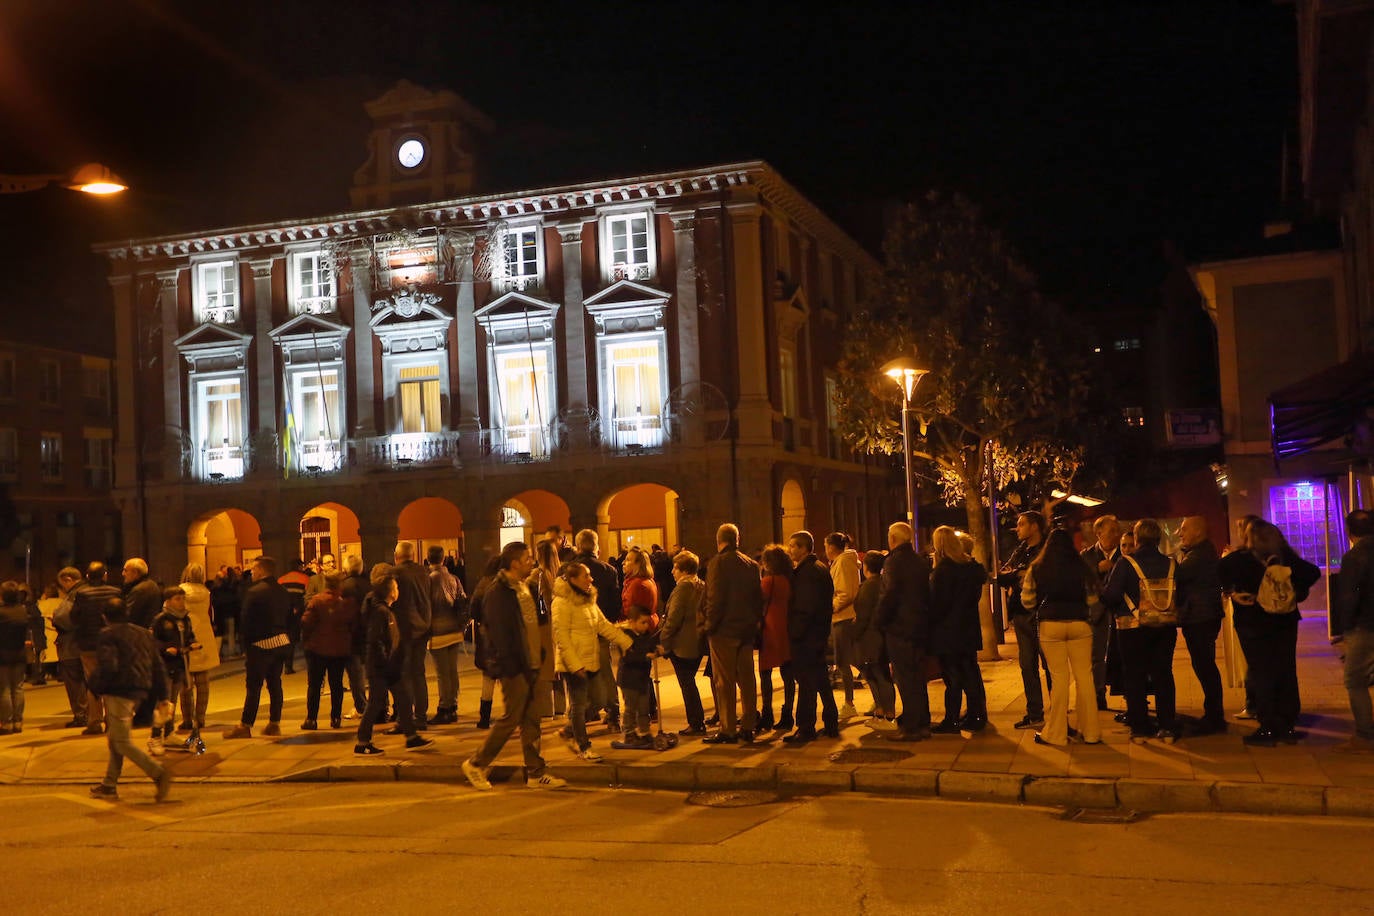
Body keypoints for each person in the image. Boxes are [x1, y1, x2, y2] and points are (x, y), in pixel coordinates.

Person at [462, 542, 567, 790]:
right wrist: (510, 665)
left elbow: (533, 621)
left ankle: (535, 771)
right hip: (514, 667)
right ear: (514, 563)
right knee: (511, 719)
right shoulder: (498, 593)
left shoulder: (524, 587)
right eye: (527, 558)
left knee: (532, 719)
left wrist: (539, 653)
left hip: (531, 663)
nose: (531, 561)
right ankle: (476, 763)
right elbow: (500, 635)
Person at [1219, 519, 1321, 746]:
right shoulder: (1285, 558)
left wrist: (1232, 591)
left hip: (1252, 624)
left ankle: (1267, 727)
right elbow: (1312, 572)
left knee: (1261, 673)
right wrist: (1295, 590)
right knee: (1285, 670)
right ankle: (1286, 724)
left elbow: (1219, 571)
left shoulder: (1241, 559)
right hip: (1285, 622)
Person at [1020, 528, 1102, 747]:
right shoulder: (1082, 567)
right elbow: (1093, 600)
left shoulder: (1037, 568)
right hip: (1080, 625)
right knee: (1085, 677)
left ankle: (1056, 734)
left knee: (1059, 679)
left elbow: (1027, 601)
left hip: (1051, 626)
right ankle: (1091, 732)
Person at [86, 597, 173, 802]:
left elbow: (109, 666)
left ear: (105, 616)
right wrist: (163, 696)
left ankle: (158, 773)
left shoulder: (107, 634)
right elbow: (158, 665)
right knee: (115, 738)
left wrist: (95, 686)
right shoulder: (142, 633)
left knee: (121, 741)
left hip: (119, 690)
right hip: (141, 690)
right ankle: (109, 784)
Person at [1104, 519, 1181, 742]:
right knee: (1164, 674)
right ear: (1158, 539)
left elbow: (1112, 595)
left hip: (1132, 628)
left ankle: (1140, 727)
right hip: (1165, 627)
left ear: (1136, 538)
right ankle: (1167, 726)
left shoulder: (1126, 563)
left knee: (1134, 675)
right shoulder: (1172, 564)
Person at [552, 561, 632, 760]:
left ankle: (570, 730)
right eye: (586, 575)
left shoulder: (588, 599)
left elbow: (602, 625)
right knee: (578, 706)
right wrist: (574, 664)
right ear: (573, 579)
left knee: (601, 699)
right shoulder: (561, 603)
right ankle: (583, 746)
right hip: (574, 665)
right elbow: (561, 636)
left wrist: (627, 641)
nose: (591, 578)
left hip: (591, 660)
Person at [354, 567, 434, 755]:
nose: (398, 590)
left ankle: (411, 737)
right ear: (390, 591)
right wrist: (385, 663)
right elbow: (376, 640)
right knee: (375, 703)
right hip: (382, 667)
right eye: (396, 587)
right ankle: (362, 742)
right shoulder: (380, 612)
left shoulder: (384, 610)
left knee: (404, 700)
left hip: (389, 665)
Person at [702, 523, 764, 745]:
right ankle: (748, 725)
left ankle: (727, 728)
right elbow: (758, 599)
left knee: (724, 681)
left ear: (718, 540)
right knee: (747, 679)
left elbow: (715, 598)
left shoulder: (717, 563)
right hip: (746, 631)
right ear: (737, 539)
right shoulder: (751, 564)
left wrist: (709, 626)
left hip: (724, 631)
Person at [877, 522, 934, 741]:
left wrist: (880, 620)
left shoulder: (893, 561)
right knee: (917, 677)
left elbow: (889, 594)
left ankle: (911, 726)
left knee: (904, 677)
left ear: (893, 539)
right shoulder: (919, 561)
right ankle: (922, 722)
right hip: (918, 627)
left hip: (899, 628)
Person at [224, 556, 292, 739]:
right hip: (281, 642)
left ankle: (245, 725)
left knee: (254, 687)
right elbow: (289, 617)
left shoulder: (255, 592)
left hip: (260, 645)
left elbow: (246, 622)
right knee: (275, 684)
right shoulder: (282, 591)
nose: (251, 572)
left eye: (254, 569)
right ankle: (274, 723)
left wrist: (246, 646)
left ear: (261, 570)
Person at [929, 525, 988, 733]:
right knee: (970, 673)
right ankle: (977, 714)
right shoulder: (971, 568)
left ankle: (951, 719)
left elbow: (937, 604)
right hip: (968, 629)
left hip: (948, 632)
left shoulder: (944, 571)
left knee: (952, 676)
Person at [784, 530, 840, 745]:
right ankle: (831, 721)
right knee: (820, 680)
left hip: (807, 636)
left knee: (807, 682)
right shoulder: (818, 569)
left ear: (803, 548)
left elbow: (805, 608)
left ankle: (806, 728)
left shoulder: (808, 573)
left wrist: (795, 633)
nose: (790, 550)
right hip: (817, 634)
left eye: (793, 546)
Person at [998, 511, 1050, 729]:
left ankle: (1057, 710)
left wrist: (1023, 574)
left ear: (1034, 526)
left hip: (1043, 612)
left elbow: (1046, 575)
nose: (1017, 529)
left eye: (1021, 524)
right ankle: (1034, 712)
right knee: (1027, 664)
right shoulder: (1020, 551)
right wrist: (1018, 573)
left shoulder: (1048, 549)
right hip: (1021, 612)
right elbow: (1002, 575)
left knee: (1050, 664)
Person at [1175, 516, 1226, 734]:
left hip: (1200, 617)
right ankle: (1214, 713)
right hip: (1201, 615)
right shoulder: (1199, 552)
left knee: (1204, 665)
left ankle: (1214, 716)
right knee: (1204, 665)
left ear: (1197, 532)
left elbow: (1178, 575)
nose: (1179, 533)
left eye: (1184, 529)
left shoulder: (1198, 555)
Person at [572, 529, 623, 733]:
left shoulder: (569, 570)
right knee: (605, 672)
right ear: (596, 546)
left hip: (577, 631)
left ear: (578, 546)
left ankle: (585, 712)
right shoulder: (609, 570)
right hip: (600, 630)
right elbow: (615, 603)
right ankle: (613, 713)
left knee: (580, 674)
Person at [1334, 509, 1374, 753]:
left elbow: (1350, 595)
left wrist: (1345, 626)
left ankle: (1365, 735)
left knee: (1355, 679)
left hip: (1365, 624)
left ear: (1349, 532)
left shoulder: (1355, 556)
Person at [659, 550, 708, 737]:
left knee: (687, 684)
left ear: (683, 569)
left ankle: (696, 722)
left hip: (682, 644)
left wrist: (664, 641)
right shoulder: (700, 585)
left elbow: (674, 618)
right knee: (689, 682)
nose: (672, 571)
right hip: (696, 641)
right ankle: (697, 720)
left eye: (675, 567)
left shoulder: (683, 587)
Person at [71, 562, 123, 735]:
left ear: (87, 576)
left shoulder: (82, 594)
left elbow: (74, 617)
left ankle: (94, 721)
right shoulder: (115, 592)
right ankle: (112, 720)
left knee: (92, 681)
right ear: (105, 575)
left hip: (88, 644)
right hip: (112, 642)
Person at [301, 570, 356, 730]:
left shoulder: (317, 601)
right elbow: (352, 624)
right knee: (336, 684)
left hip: (317, 649)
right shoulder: (345, 603)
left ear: (325, 584)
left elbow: (306, 622)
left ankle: (311, 719)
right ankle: (336, 718)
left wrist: (307, 641)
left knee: (315, 685)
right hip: (339, 650)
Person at [148, 586, 199, 755]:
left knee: (172, 701)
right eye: (177, 599)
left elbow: (190, 635)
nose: (181, 602)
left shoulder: (185, 619)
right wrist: (165, 649)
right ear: (168, 601)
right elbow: (153, 641)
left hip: (179, 665)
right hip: (165, 666)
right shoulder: (161, 620)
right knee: (163, 703)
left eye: (183, 599)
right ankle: (155, 736)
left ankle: (169, 733)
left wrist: (192, 643)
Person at [1080, 514, 1122, 710]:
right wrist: (1098, 570)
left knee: (1122, 654)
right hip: (1095, 613)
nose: (1117, 534)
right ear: (1098, 533)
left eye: (1117, 530)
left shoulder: (1125, 554)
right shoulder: (1086, 556)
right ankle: (1098, 694)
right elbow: (1081, 583)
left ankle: (1128, 693)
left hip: (1121, 612)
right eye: (1111, 530)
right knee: (1096, 657)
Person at [390, 541, 433, 730]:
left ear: (396, 556)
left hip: (405, 628)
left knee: (404, 675)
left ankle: (405, 718)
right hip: (423, 627)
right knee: (419, 673)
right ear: (413, 555)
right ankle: (421, 716)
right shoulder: (424, 572)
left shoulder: (396, 574)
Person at [853, 550, 897, 730]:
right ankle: (883, 713)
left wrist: (853, 634)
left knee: (877, 675)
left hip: (870, 637)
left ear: (866, 567)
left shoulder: (868, 586)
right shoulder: (883, 583)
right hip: (881, 636)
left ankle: (887, 714)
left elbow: (863, 615)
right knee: (880, 674)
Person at [426, 545, 467, 726]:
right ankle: (453, 705)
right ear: (443, 559)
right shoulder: (454, 578)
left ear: (428, 559)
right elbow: (463, 600)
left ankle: (445, 708)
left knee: (442, 673)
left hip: (437, 631)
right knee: (452, 671)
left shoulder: (429, 580)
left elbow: (427, 606)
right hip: (454, 630)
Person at [824, 532, 862, 719]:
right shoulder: (843, 561)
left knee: (843, 661)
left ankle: (849, 703)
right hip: (844, 616)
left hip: (842, 617)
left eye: (825, 546)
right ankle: (877, 695)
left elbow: (845, 593)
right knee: (852, 658)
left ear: (831, 547)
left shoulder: (843, 562)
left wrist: (831, 607)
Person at [758, 545, 794, 733]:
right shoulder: (789, 580)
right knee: (788, 675)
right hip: (786, 628)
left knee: (765, 673)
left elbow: (757, 601)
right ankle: (787, 714)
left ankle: (767, 713)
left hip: (770, 629)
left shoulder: (768, 581)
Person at [178, 563, 218, 733]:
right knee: (203, 683)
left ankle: (187, 719)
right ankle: (200, 718)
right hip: (203, 636)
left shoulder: (179, 591)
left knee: (185, 683)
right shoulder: (206, 592)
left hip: (185, 637)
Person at [50, 567, 88, 729]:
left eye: (62, 585)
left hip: (72, 645)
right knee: (87, 682)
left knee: (75, 683)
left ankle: (81, 716)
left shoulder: (75, 594)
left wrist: (54, 618)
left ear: (68, 580)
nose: (62, 589)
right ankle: (92, 715)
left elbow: (62, 617)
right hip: (87, 644)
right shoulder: (89, 590)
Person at [469, 555, 503, 730]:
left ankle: (484, 718)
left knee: (488, 678)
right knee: (507, 677)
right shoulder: (502, 585)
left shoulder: (482, 583)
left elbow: (473, 609)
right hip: (501, 635)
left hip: (485, 634)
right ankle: (510, 716)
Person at [339, 554, 370, 720]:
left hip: (351, 634)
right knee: (371, 671)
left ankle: (361, 706)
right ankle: (379, 705)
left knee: (355, 673)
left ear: (346, 568)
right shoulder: (370, 584)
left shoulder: (344, 587)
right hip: (369, 632)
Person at [0, 581, 31, 734]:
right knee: (18, 688)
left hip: (3, 654)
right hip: (19, 653)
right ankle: (18, 721)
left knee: (4, 689)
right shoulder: (22, 610)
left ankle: (6, 722)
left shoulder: (1, 612)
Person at [277, 559, 310, 675]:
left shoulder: (281, 579)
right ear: (299, 567)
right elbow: (307, 596)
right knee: (296, 638)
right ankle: (295, 665)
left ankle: (285, 665)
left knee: (285, 639)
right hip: (298, 613)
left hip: (283, 613)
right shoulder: (305, 579)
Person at [121, 558, 162, 629]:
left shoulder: (139, 590)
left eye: (125, 570)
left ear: (135, 572)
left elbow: (128, 616)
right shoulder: (152, 584)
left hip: (139, 632)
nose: (123, 574)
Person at [621, 547, 659, 625]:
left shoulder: (637, 584)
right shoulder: (648, 580)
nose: (623, 563)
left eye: (628, 560)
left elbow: (628, 611)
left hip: (639, 628)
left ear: (638, 564)